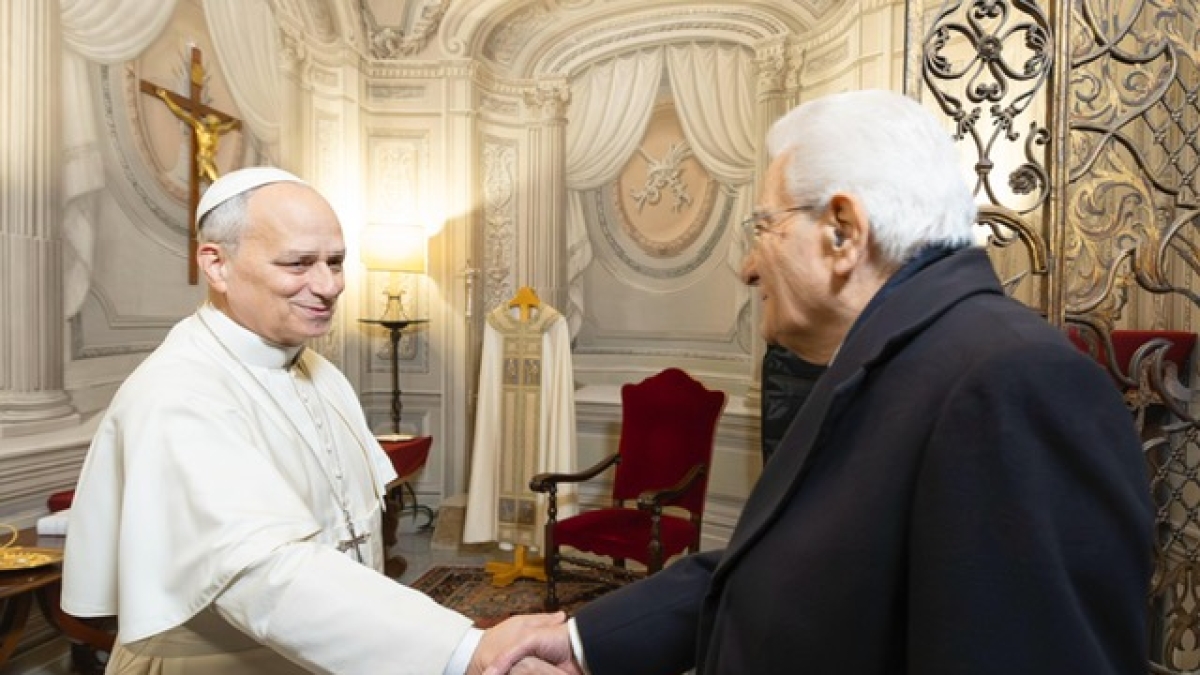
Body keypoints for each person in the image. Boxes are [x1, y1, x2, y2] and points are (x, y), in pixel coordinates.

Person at [487, 89, 1154, 675]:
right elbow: (770, 568)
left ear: (843, 232)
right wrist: (583, 641)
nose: (748, 267)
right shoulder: (882, 361)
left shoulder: (1012, 382)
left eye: (764, 228)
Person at [61, 166, 566, 674]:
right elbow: (266, 574)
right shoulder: (178, 394)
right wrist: (464, 651)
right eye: (298, 263)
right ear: (216, 265)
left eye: (336, 262)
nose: (329, 286)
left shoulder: (316, 369)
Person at [157, 87, 240, 183]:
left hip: (211, 160)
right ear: (209, 124)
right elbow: (180, 113)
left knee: (218, 182)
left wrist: (234, 123)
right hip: (203, 159)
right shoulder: (201, 128)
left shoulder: (216, 130)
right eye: (214, 125)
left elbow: (228, 126)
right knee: (217, 182)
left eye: (216, 125)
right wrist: (165, 97)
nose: (215, 127)